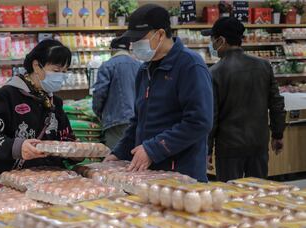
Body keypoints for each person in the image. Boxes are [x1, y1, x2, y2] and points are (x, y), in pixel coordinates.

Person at [104, 4, 213, 182]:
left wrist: (153, 149)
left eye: (140, 39)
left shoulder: (190, 65)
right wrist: (119, 153)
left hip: (182, 174)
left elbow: (199, 121)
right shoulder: (144, 70)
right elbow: (138, 121)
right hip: (148, 174)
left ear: (160, 34)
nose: (135, 45)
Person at [203, 17, 286, 182]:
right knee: (257, 193)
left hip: (228, 148)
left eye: (213, 40)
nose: (212, 45)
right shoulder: (264, 66)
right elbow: (276, 103)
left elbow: (212, 117)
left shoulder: (214, 72)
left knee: (230, 197)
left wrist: (207, 150)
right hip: (258, 144)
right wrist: (278, 134)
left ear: (221, 40)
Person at [0, 39, 75, 180]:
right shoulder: (8, 95)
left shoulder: (55, 102)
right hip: (14, 182)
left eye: (64, 71)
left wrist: (76, 152)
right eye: (56, 70)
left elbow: (66, 137)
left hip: (52, 182)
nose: (60, 76)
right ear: (37, 66)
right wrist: (18, 147)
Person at [92, 38, 141, 150]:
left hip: (116, 119)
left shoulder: (108, 65)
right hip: (138, 119)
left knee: (116, 161)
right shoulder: (139, 65)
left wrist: (98, 112)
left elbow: (100, 93)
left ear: (112, 50)